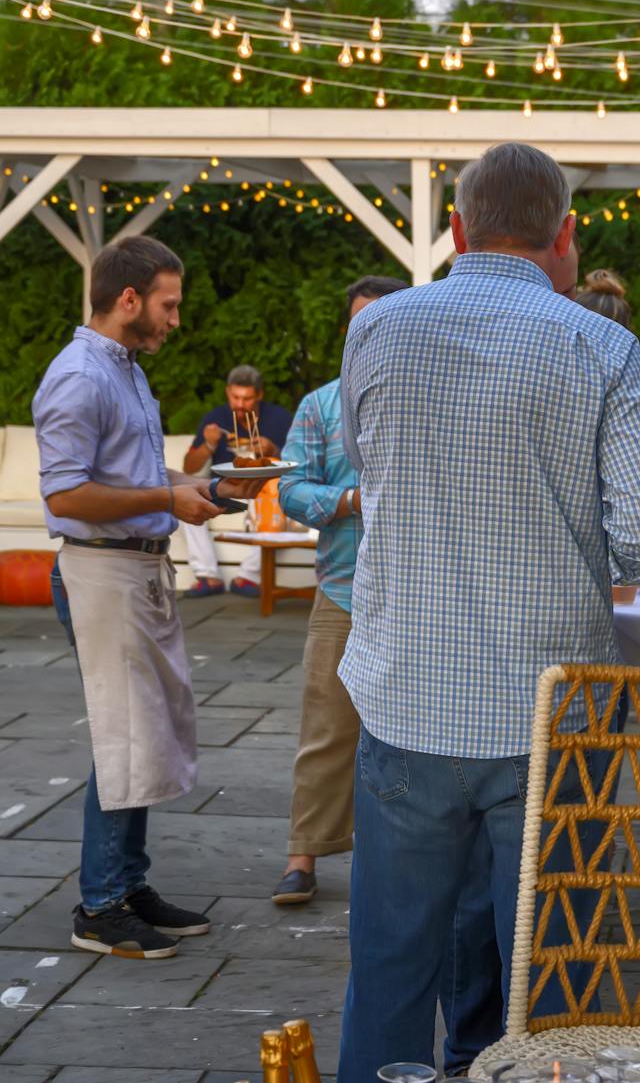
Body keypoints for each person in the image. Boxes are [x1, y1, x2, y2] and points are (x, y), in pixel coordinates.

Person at [335, 141, 640, 1083]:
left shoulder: (381, 331)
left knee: (391, 981)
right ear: (564, 236)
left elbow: (372, 469)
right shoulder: (601, 345)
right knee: (552, 994)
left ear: (456, 229)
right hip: (554, 711)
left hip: (408, 694)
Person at [33, 236, 264, 959]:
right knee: (124, 733)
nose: (174, 320)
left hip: (132, 568)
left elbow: (133, 473)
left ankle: (126, 886)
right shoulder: (79, 376)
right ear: (128, 299)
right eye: (168, 305)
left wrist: (211, 490)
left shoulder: (121, 367)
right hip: (100, 571)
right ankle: (100, 905)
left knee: (143, 729)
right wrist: (170, 493)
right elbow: (66, 493)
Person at [270, 276, 406, 907]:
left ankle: (401, 862)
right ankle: (304, 854)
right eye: (361, 324)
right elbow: (290, 489)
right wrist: (349, 499)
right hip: (343, 591)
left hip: (417, 596)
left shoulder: (427, 400)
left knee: (411, 733)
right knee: (327, 725)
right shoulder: (321, 405)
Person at [180, 366, 294, 598]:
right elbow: (188, 467)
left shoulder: (280, 419)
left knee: (283, 497)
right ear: (227, 393)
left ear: (259, 395)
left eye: (247, 398)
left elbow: (299, 462)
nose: (240, 404)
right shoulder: (215, 419)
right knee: (183, 497)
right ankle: (208, 576)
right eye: (235, 397)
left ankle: (248, 576)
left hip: (264, 491)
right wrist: (208, 445)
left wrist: (274, 450)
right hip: (224, 489)